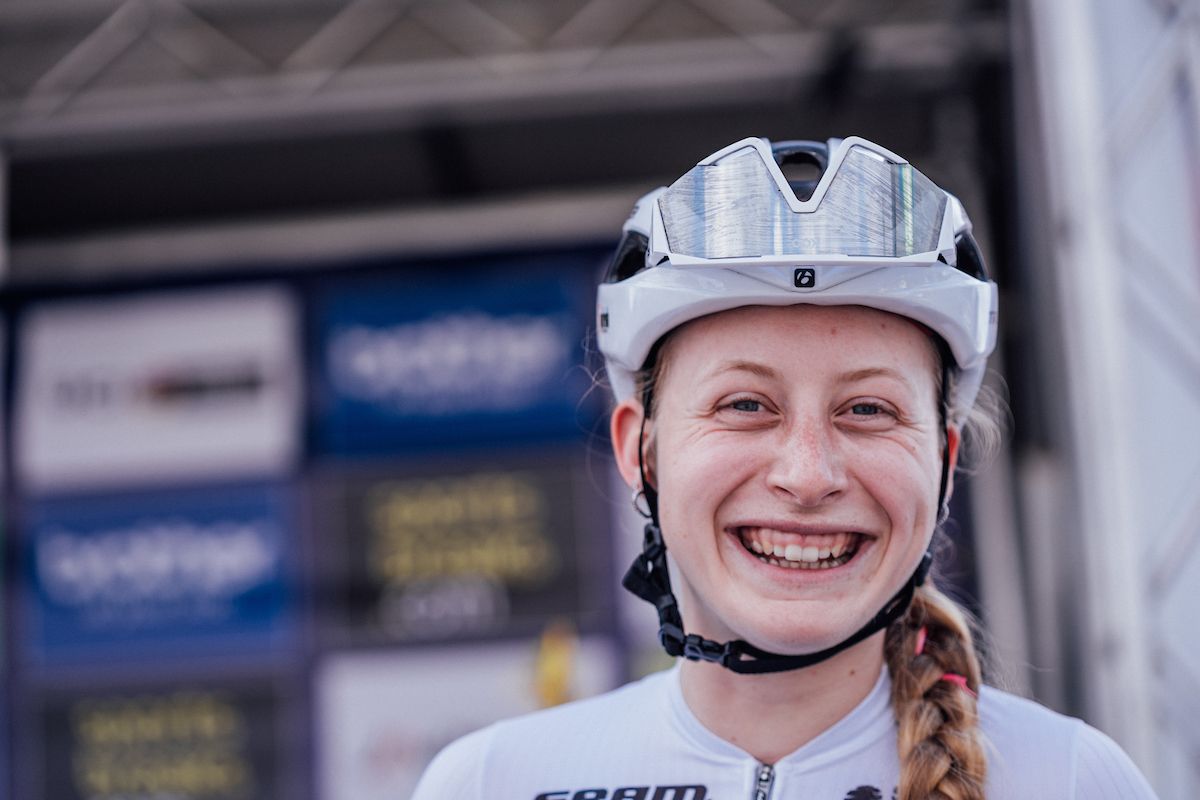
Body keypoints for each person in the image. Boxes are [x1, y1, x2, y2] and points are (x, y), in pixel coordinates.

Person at [412, 136, 1159, 799]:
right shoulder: (490, 782)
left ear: (943, 460)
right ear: (640, 450)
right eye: (745, 404)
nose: (808, 476)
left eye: (868, 410)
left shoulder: (1070, 779)